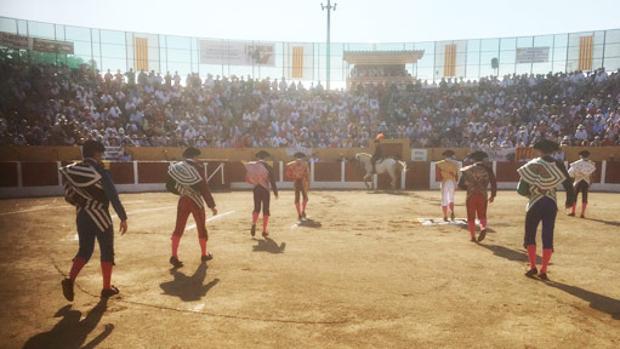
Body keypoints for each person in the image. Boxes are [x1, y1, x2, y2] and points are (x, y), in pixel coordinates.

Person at [59, 140, 128, 301]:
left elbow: (68, 196)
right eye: (101, 153)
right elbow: (112, 196)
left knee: (85, 250)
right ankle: (106, 288)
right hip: (100, 216)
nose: (102, 156)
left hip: (82, 215)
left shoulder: (73, 171)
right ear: (97, 153)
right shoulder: (101, 172)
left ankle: (70, 280)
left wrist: (84, 203)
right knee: (106, 249)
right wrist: (122, 217)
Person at [517, 139, 576, 281]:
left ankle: (532, 266)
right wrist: (569, 200)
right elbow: (568, 184)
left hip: (534, 203)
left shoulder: (532, 165)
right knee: (548, 234)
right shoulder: (559, 164)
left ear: (538, 150)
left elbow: (521, 189)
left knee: (530, 233)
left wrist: (531, 194)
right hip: (550, 202)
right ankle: (544, 269)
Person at [166, 147, 218, 268]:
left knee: (179, 227)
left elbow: (169, 185)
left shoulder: (176, 167)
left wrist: (182, 191)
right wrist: (212, 205)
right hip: (196, 201)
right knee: (201, 227)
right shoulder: (197, 167)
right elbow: (204, 188)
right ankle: (204, 254)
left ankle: (174, 256)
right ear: (195, 156)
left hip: (183, 199)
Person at [458, 151, 497, 242]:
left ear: (473, 159)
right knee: (482, 215)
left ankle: (473, 237)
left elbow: (460, 185)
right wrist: (493, 195)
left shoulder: (466, 169)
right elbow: (493, 182)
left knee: (471, 216)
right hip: (483, 195)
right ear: (483, 159)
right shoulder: (488, 169)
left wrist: (468, 187)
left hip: (471, 195)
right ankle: (483, 228)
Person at [245, 151, 278, 238]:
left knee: (256, 208)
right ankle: (264, 230)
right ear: (265, 158)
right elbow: (272, 181)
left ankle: (253, 223)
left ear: (257, 158)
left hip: (256, 189)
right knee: (265, 209)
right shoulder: (268, 166)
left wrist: (255, 182)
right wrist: (275, 192)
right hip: (265, 190)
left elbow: (247, 178)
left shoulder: (252, 166)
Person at [568, 150, 596, 218]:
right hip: (586, 181)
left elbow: (570, 174)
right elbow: (592, 174)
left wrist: (576, 176)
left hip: (577, 181)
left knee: (574, 197)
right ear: (588, 156)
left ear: (580, 156)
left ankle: (573, 212)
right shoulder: (591, 164)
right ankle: (582, 214)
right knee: (585, 197)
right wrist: (590, 182)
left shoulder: (576, 163)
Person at [435, 150, 459, 221]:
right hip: (452, 182)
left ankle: (445, 215)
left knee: (444, 199)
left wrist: (441, 179)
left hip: (444, 182)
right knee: (451, 198)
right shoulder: (456, 164)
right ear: (452, 156)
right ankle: (452, 212)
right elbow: (456, 176)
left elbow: (438, 176)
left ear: (445, 156)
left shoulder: (439, 164)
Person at [286, 152, 310, 221]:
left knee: (297, 198)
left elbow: (287, 173)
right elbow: (307, 174)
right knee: (305, 197)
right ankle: (303, 211)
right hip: (303, 181)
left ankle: (299, 214)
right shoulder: (305, 164)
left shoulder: (291, 164)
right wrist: (308, 183)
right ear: (303, 157)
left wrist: (292, 177)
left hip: (296, 181)